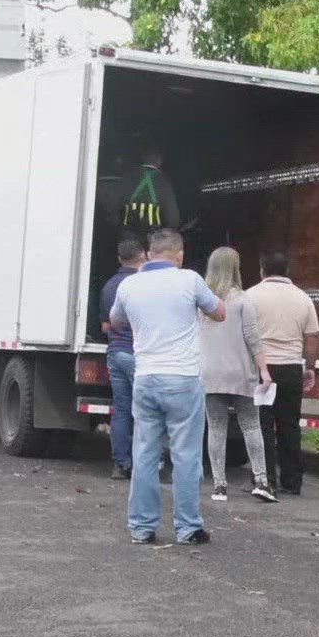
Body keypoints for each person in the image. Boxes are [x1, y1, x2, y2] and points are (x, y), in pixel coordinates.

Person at [110, 229, 225, 546]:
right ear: (180, 254)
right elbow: (219, 312)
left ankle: (141, 527)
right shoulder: (189, 280)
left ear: (149, 254)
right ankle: (188, 528)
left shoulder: (129, 285)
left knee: (145, 453)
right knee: (186, 455)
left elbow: (115, 320)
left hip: (146, 377)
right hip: (183, 379)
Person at [198, 246, 276, 504]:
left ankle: (219, 485)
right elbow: (253, 338)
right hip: (241, 373)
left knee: (216, 428)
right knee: (251, 425)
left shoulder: (202, 302)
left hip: (210, 373)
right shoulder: (243, 300)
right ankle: (261, 480)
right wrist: (264, 370)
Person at [245, 250, 319, 496]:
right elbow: (312, 336)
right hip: (291, 368)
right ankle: (292, 480)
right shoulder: (303, 298)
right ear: (287, 271)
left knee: (262, 425)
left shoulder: (251, 296)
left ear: (262, 270)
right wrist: (310, 367)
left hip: (262, 370)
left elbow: (243, 333)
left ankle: (265, 479)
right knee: (290, 424)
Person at [99, 236, 146, 480]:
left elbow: (105, 326)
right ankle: (145, 463)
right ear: (143, 256)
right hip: (137, 354)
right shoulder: (143, 285)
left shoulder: (109, 286)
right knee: (146, 411)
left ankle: (120, 464)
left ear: (119, 258)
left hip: (115, 352)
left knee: (121, 410)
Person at [121, 142, 181, 239]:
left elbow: (116, 203)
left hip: (128, 235)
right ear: (160, 161)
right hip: (151, 236)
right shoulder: (162, 181)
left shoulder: (128, 176)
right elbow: (173, 217)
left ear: (143, 158)